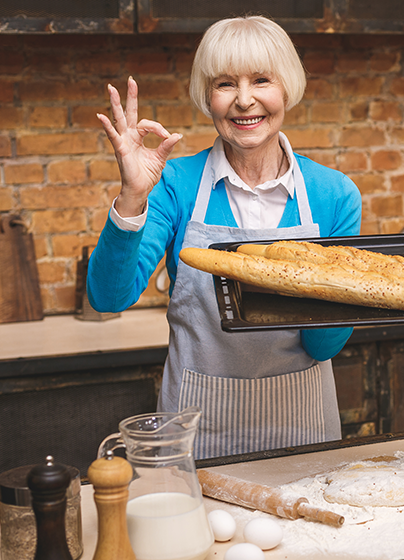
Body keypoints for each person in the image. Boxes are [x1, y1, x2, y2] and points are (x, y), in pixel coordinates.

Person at [87, 15, 362, 459]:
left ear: (286, 87)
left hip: (302, 426)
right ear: (207, 97)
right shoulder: (174, 183)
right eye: (225, 84)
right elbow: (109, 298)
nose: (245, 100)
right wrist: (134, 195)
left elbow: (322, 344)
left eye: (261, 80)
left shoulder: (334, 195)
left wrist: (351, 296)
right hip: (195, 429)